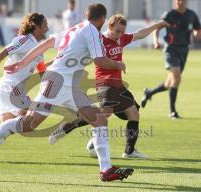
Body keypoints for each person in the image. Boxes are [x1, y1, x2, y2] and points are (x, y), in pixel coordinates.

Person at [0, 3, 134, 182]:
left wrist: (22, 63)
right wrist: (118, 64)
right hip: (57, 83)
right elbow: (100, 60)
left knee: (99, 119)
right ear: (102, 19)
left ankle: (105, 170)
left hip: (70, 87)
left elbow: (48, 43)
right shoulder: (91, 31)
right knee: (29, 124)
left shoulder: (75, 28)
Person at [48, 14, 169, 159]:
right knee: (102, 115)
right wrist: (52, 62)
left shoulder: (121, 39)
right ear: (109, 27)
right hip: (105, 84)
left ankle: (129, 151)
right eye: (117, 31)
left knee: (133, 114)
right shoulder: (99, 40)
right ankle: (64, 129)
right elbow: (75, 51)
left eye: (122, 32)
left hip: (118, 85)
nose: (119, 35)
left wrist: (157, 25)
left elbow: (139, 34)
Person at [0, 13, 49, 162]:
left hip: (11, 89)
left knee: (7, 128)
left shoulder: (39, 48)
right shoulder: (25, 40)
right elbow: (8, 49)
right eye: (45, 24)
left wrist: (58, 64)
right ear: (36, 26)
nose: (48, 26)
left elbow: (42, 72)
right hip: (11, 88)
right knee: (27, 120)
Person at [141, 0, 201, 119]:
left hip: (184, 51)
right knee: (177, 78)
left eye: (182, 0)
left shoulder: (192, 15)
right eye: (178, 0)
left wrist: (196, 33)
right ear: (175, 1)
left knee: (170, 83)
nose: (180, 2)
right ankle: (172, 111)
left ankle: (149, 93)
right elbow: (157, 28)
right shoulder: (169, 15)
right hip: (171, 50)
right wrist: (155, 41)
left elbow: (197, 29)